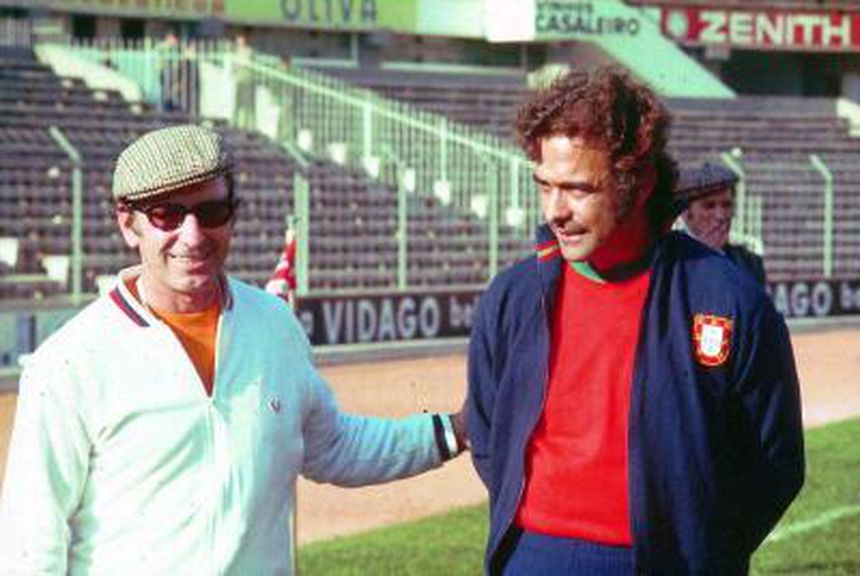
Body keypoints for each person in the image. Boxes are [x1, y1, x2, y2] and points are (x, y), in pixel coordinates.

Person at [0, 125, 466, 574]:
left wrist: (457, 430)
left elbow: (333, 445)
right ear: (129, 223)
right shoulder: (69, 361)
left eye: (211, 212)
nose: (193, 234)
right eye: (167, 214)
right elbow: (29, 544)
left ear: (233, 214)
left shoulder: (274, 325)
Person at [465, 67, 804, 575]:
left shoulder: (729, 300)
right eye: (545, 187)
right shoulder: (512, 298)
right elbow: (491, 437)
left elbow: (774, 464)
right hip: (533, 557)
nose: (555, 210)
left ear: (639, 182)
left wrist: (699, 548)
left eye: (578, 189)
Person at [677, 161, 767, 285]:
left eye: (726, 205)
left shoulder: (750, 263)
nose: (720, 216)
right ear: (686, 213)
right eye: (709, 206)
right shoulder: (671, 262)